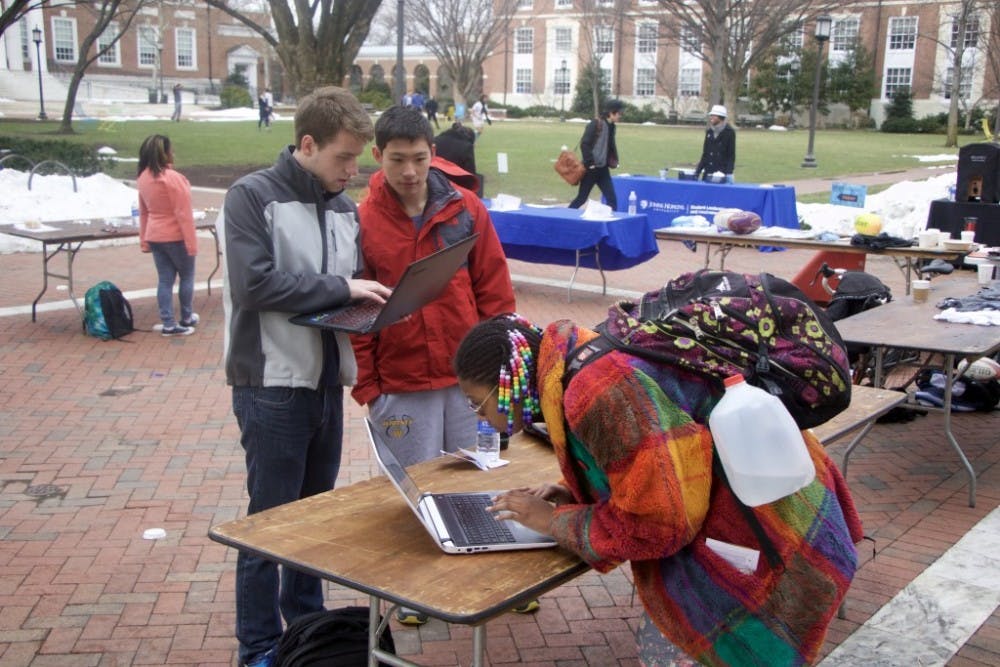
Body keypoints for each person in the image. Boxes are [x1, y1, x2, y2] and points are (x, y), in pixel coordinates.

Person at [454, 314, 865, 666]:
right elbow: (656, 455)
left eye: (477, 402)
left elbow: (659, 526)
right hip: (783, 517)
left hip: (771, 547)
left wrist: (556, 522)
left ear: (509, 380)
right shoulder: (581, 353)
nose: (480, 417)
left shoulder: (597, 391)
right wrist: (571, 488)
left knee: (674, 651)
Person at [217, 86, 392, 667]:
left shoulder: (342, 207)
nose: (354, 169)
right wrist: (343, 290)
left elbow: (348, 284)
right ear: (308, 144)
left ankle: (307, 635)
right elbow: (254, 285)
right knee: (268, 528)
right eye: (345, 157)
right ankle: (260, 647)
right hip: (269, 384)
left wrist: (375, 308)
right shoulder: (251, 197)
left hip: (325, 383)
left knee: (313, 523)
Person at [353, 106, 515, 623]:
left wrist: (500, 369)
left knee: (479, 480)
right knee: (411, 490)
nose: (409, 172)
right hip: (400, 381)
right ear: (377, 156)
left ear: (433, 154)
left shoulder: (465, 208)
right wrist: (369, 386)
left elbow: (494, 290)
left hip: (468, 378)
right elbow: (355, 309)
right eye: (397, 160)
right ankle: (414, 593)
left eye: (419, 159)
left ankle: (494, 580)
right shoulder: (360, 218)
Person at [136, 134, 198, 336]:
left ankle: (168, 322)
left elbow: (143, 211)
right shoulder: (173, 179)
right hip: (176, 236)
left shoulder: (144, 177)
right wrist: (191, 243)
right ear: (164, 153)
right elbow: (184, 213)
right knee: (186, 277)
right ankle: (186, 317)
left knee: (165, 280)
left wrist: (144, 239)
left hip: (155, 234)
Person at [568, 99, 623, 210]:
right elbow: (584, 144)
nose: (620, 116)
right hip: (590, 170)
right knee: (581, 198)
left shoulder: (612, 126)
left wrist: (613, 160)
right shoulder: (595, 124)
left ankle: (611, 225)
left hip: (603, 170)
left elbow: (610, 146)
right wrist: (590, 164)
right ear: (612, 113)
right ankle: (565, 217)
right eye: (619, 113)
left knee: (612, 199)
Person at [694, 104, 736, 183]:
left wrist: (729, 173)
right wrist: (697, 171)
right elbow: (705, 154)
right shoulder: (709, 131)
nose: (711, 118)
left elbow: (731, 155)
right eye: (711, 115)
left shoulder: (729, 132)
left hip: (721, 173)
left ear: (720, 117)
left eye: (714, 115)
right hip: (708, 172)